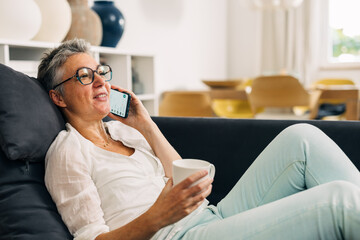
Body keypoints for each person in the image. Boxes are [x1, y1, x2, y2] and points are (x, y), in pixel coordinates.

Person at [38, 39, 360, 240]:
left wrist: (146, 124)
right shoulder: (68, 153)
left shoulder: (123, 131)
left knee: (301, 138)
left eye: (100, 72)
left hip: (210, 217)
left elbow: (185, 176)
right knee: (339, 201)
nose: (100, 82)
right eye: (84, 76)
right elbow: (91, 238)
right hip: (178, 236)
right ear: (59, 97)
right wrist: (158, 216)